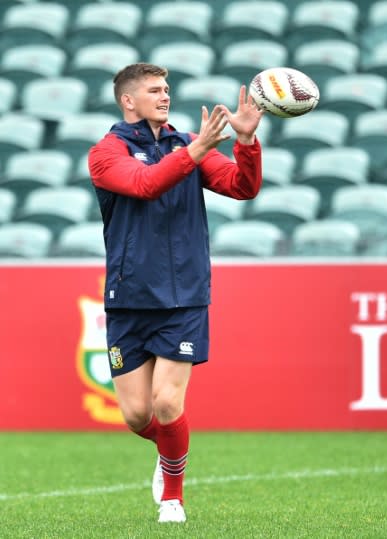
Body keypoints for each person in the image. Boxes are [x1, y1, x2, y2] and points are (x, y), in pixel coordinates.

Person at [88, 63, 264, 523]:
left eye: (167, 89)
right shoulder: (106, 153)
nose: (165, 96)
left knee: (168, 403)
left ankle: (174, 497)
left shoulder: (187, 143)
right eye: (154, 90)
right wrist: (198, 148)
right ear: (128, 100)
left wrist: (245, 143)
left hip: (184, 295)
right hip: (128, 299)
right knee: (135, 415)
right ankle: (170, 451)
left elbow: (241, 187)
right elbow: (144, 184)